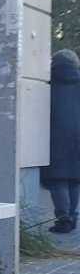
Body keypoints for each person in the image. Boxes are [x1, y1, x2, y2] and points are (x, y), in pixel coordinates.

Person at [43, 49, 80, 232]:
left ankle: (63, 218)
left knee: (58, 179)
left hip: (54, 135)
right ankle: (72, 217)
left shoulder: (48, 83)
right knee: (74, 178)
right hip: (78, 137)